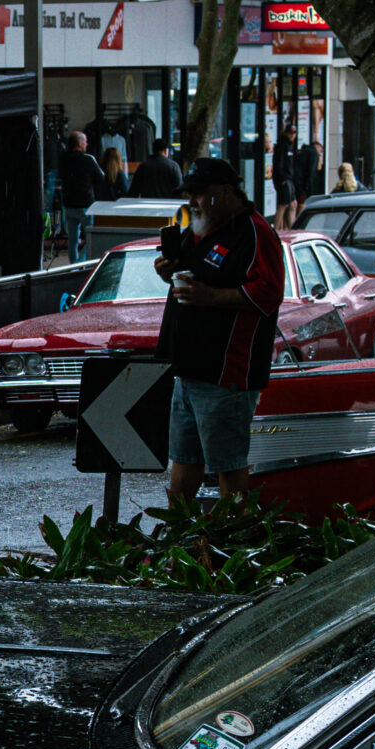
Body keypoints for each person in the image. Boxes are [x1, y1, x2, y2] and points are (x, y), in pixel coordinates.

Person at [154, 157, 286, 506]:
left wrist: (211, 296)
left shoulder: (256, 232)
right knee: (184, 460)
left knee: (228, 466)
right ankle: (179, 530)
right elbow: (186, 274)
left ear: (226, 192)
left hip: (226, 374)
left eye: (199, 193)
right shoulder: (201, 228)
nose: (192, 202)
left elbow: (270, 292)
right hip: (188, 368)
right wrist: (166, 270)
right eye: (189, 195)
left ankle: (237, 533)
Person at [56, 131, 104, 262]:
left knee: (72, 240)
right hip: (85, 205)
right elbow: (100, 178)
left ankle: (73, 265)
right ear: (79, 143)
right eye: (85, 141)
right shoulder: (88, 159)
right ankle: (80, 263)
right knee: (91, 238)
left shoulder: (64, 159)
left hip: (69, 204)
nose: (87, 144)